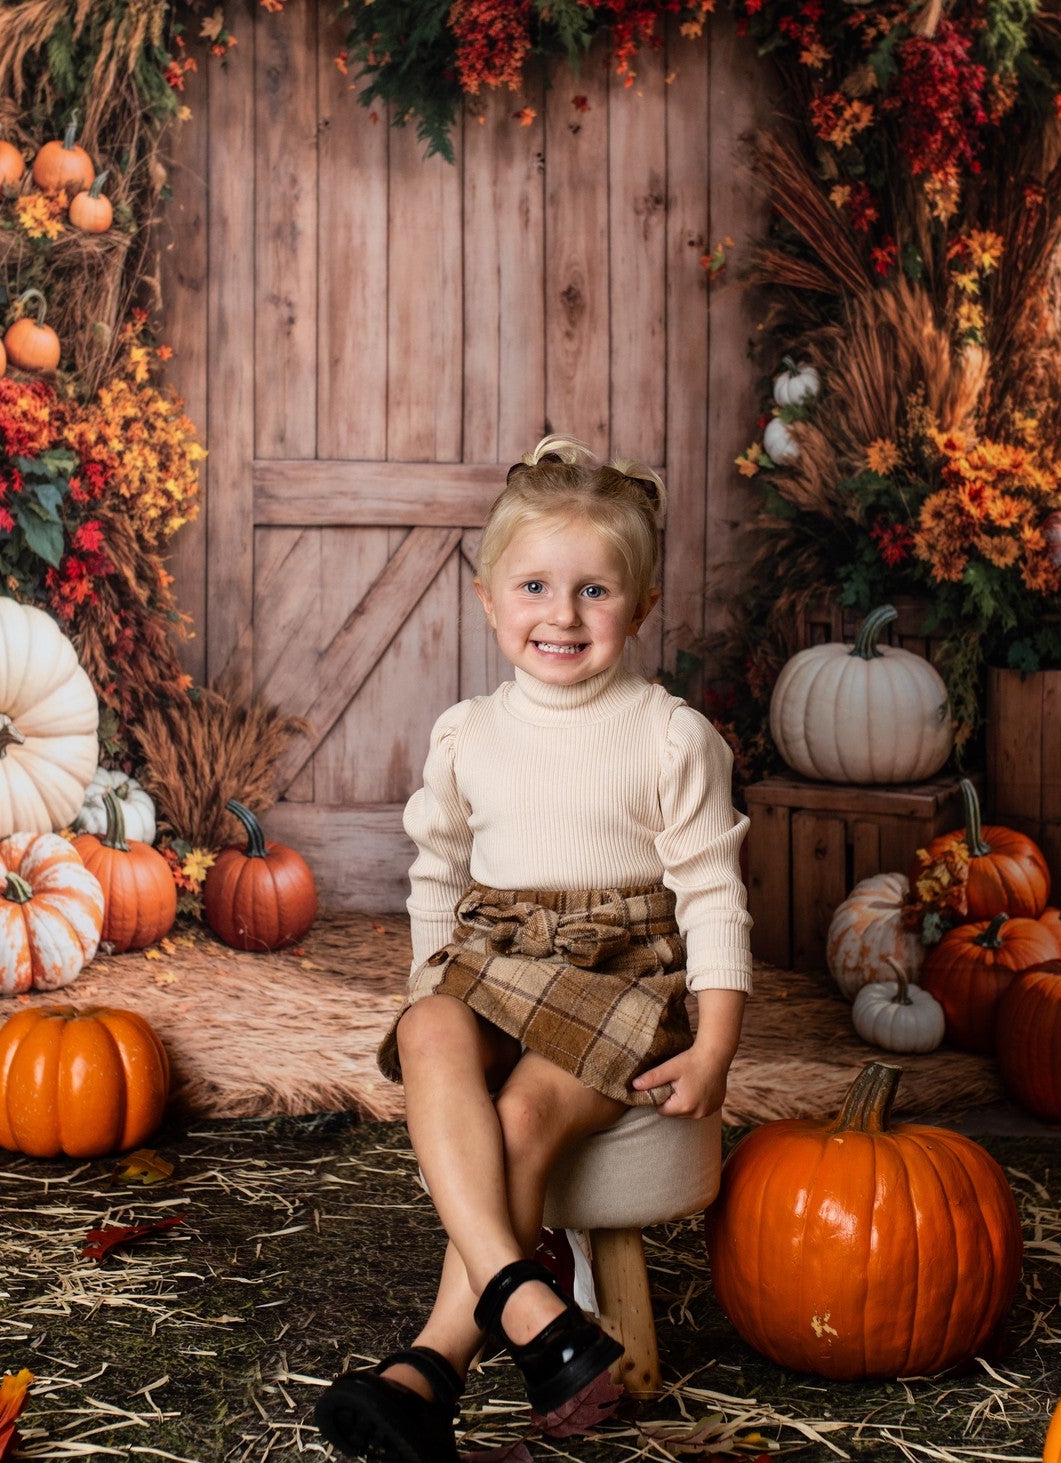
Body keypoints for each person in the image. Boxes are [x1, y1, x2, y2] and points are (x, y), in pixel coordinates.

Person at [313, 435, 753, 1461]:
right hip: (495, 954)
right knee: (424, 1018)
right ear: (485, 598)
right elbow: (434, 877)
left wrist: (717, 1045)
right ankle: (529, 1306)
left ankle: (432, 1361)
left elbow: (712, 892)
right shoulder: (466, 732)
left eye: (594, 590)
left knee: (519, 1114)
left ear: (639, 609)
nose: (560, 614)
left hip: (621, 972)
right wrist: (440, 1000)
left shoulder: (668, 734)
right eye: (535, 585)